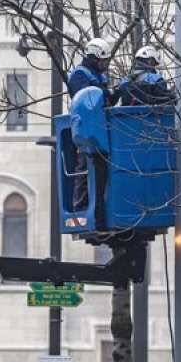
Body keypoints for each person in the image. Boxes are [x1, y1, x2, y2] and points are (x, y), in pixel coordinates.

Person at [68, 38, 120, 229]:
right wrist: (106, 93)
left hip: (100, 128)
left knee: (101, 172)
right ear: (93, 58)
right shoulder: (79, 75)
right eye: (103, 61)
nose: (105, 65)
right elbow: (87, 99)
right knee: (85, 168)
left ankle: (100, 211)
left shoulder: (100, 77)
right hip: (86, 130)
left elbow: (106, 101)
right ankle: (81, 207)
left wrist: (115, 93)